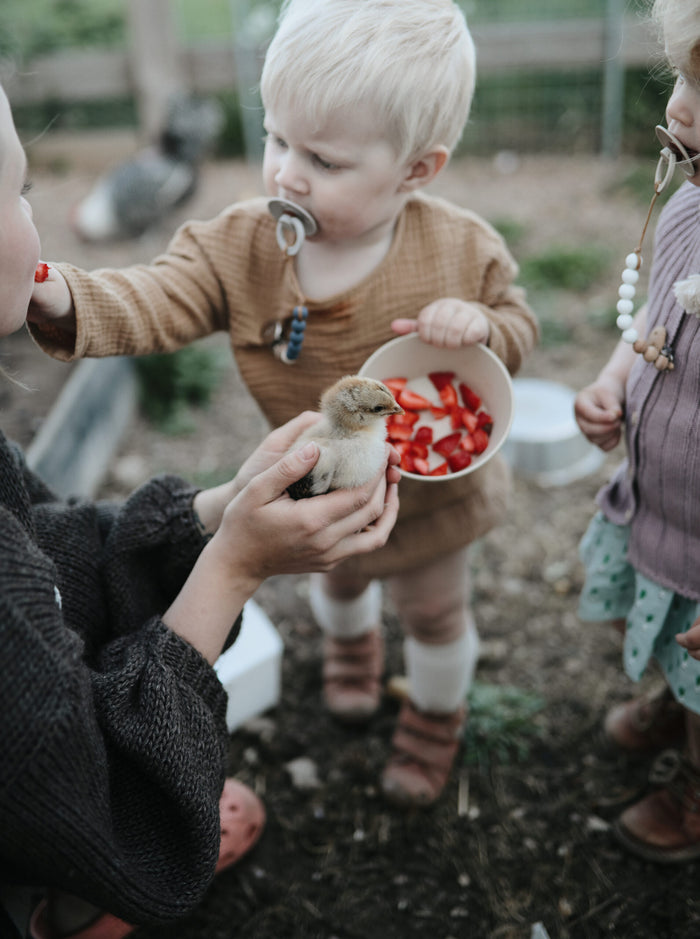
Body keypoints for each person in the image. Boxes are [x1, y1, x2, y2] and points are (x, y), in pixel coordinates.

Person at [27, 0, 538, 808]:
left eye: (325, 161)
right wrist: (64, 298)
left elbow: (516, 326)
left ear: (416, 170)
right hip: (320, 490)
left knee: (437, 612)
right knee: (334, 584)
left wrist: (480, 325)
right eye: (276, 139)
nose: (287, 173)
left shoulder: (460, 247)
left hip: (435, 498)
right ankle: (350, 654)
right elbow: (160, 293)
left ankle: (437, 714)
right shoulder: (242, 244)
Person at [0, 84, 399, 939]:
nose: (287, 169)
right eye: (20, 191)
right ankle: (74, 903)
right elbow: (91, 800)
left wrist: (211, 513)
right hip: (84, 820)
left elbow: (43, 551)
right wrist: (235, 565)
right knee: (119, 840)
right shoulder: (249, 240)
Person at [574, 0, 700, 863]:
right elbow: (650, 321)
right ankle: (677, 701)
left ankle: (697, 791)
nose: (682, 107)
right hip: (664, 504)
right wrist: (615, 379)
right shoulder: (688, 209)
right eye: (689, 74)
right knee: (675, 647)